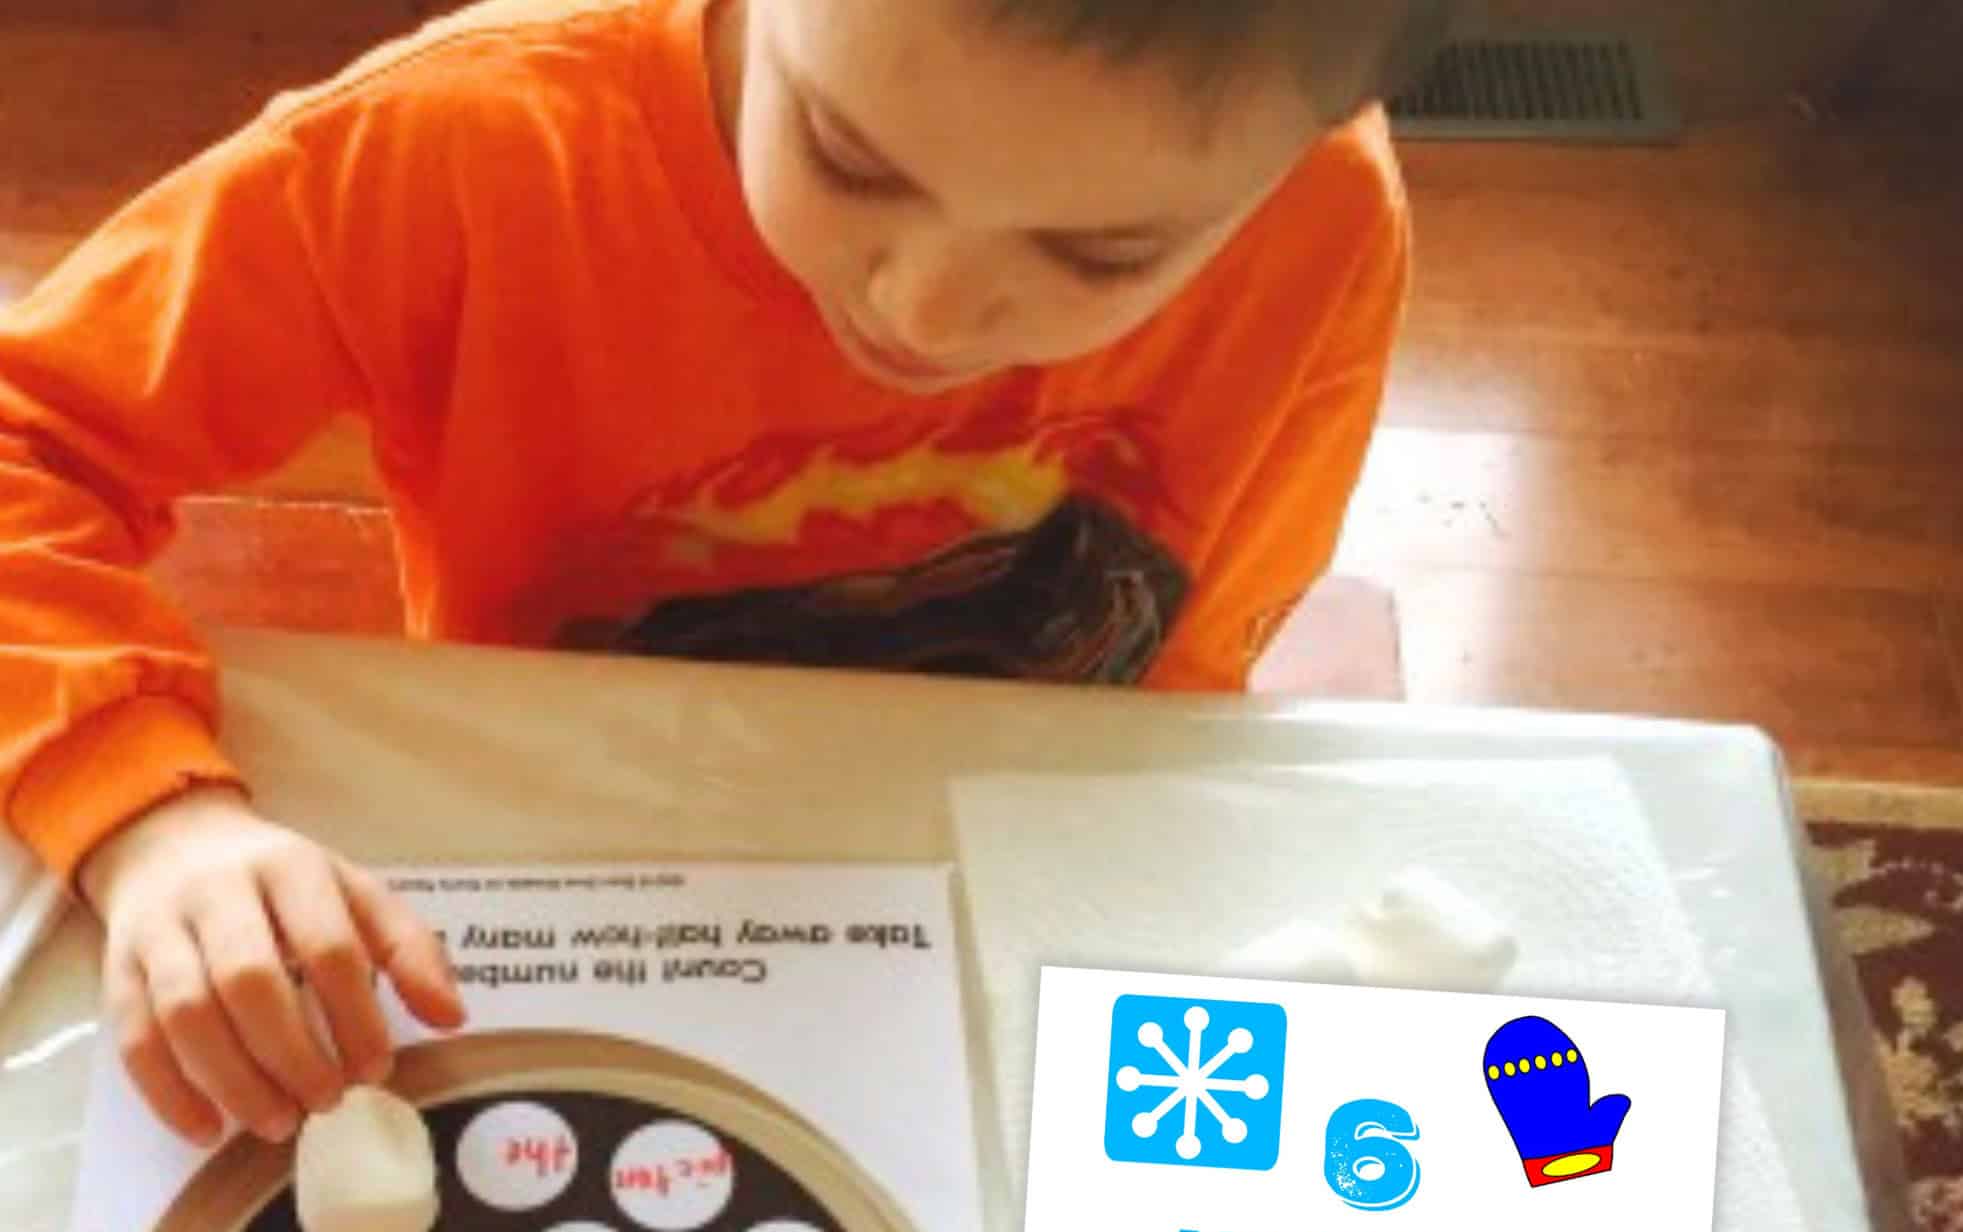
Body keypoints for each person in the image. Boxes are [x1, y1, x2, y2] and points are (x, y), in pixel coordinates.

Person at [0, 0, 1441, 1147]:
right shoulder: (465, 148)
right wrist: (148, 813)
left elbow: (1180, 675)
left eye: (1103, 252)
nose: (923, 310)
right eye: (851, 157)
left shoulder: (1320, 224)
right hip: (544, 880)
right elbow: (27, 439)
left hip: (981, 909)